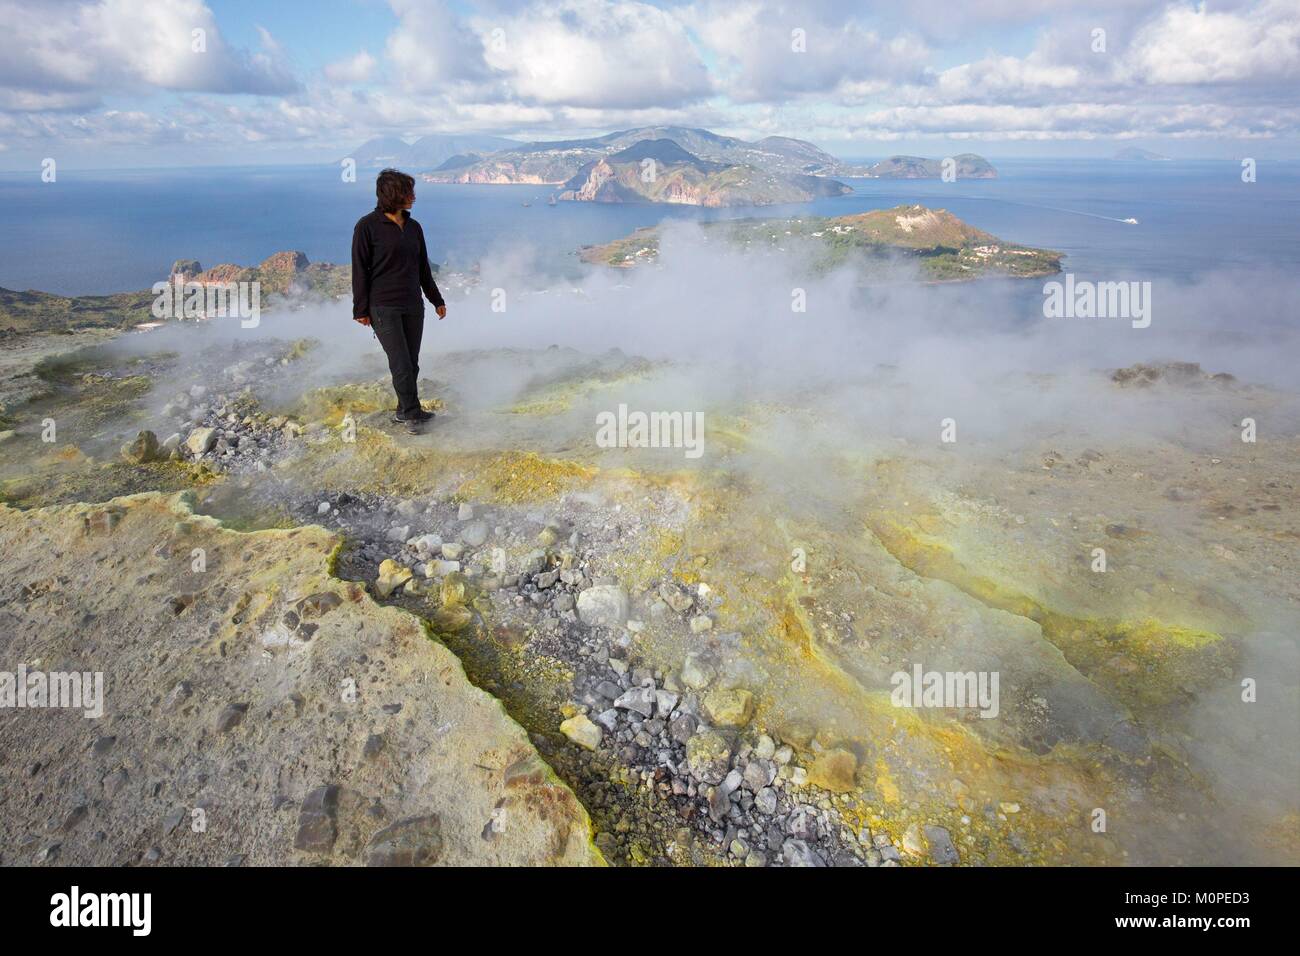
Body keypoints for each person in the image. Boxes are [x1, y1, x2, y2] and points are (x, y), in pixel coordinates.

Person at [351, 168, 447, 433]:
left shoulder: (414, 227)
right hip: (383, 306)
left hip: (413, 304)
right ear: (393, 194)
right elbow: (359, 269)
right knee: (401, 363)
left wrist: (436, 299)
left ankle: (404, 410)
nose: (413, 196)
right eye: (408, 191)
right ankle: (412, 415)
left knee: (411, 362)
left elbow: (423, 268)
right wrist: (360, 309)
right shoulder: (367, 227)